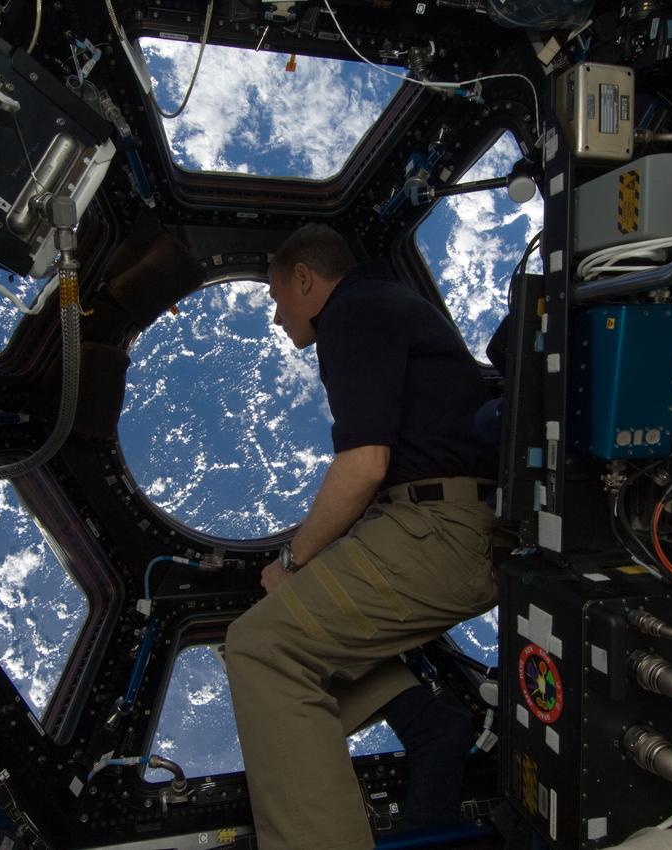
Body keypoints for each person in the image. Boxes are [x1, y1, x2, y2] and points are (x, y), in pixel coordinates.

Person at [224, 224, 500, 850]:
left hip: (440, 531)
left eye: (276, 297)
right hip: (448, 524)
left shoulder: (352, 312)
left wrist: (293, 561)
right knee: (298, 632)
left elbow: (364, 463)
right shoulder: (388, 307)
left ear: (304, 279)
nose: (275, 316)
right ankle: (427, 723)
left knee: (260, 648)